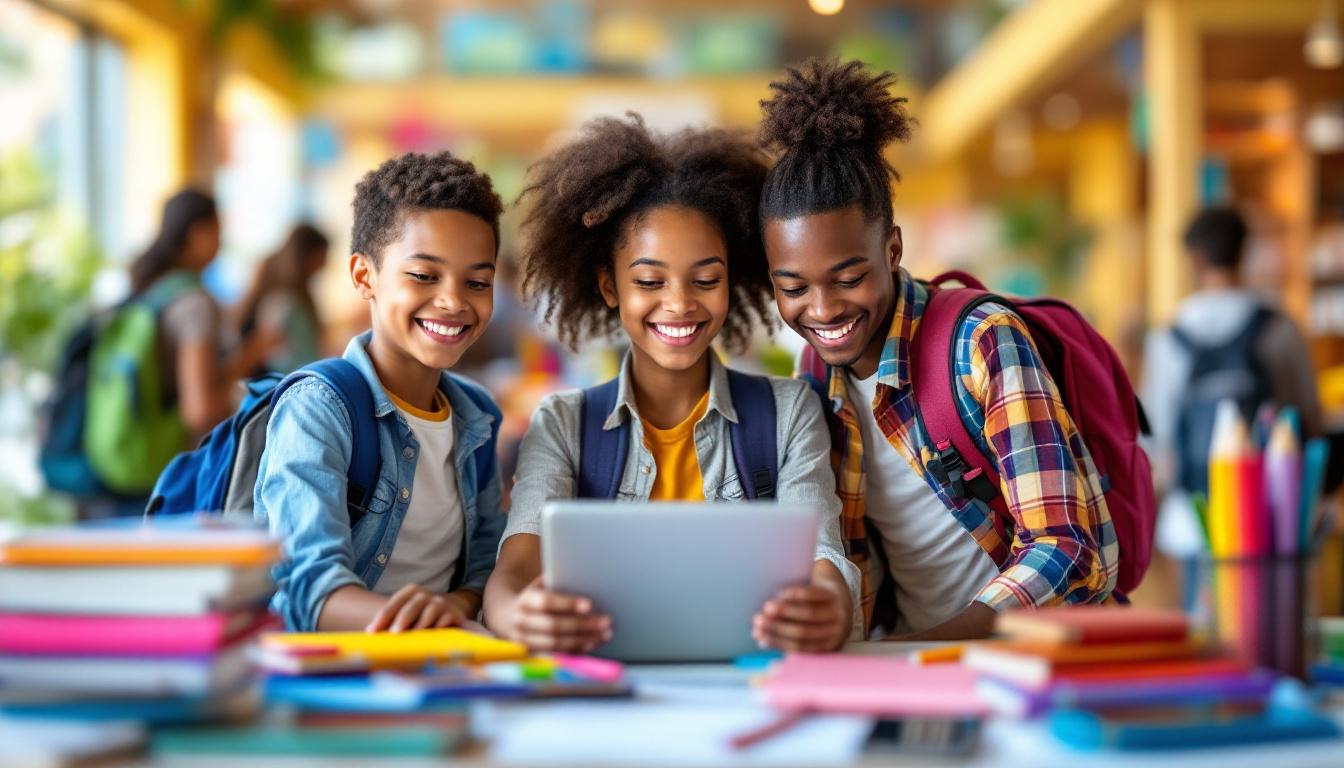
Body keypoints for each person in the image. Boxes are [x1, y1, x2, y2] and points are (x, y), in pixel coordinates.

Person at [757, 58, 1118, 640]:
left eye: (849, 279)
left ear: (893, 251)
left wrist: (929, 644)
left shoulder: (981, 342)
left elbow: (1068, 547)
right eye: (794, 288)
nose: (822, 311)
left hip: (1027, 662)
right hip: (911, 664)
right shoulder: (817, 377)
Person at [482, 114, 861, 653]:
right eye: (649, 281)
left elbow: (825, 556)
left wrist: (829, 608)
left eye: (706, 280)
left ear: (733, 280)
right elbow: (513, 571)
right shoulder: (563, 424)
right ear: (610, 286)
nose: (680, 303)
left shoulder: (789, 412)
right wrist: (519, 617)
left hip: (745, 688)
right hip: (612, 693)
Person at [254, 152, 507, 633]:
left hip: (449, 667)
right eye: (424, 275)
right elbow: (309, 590)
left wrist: (456, 608)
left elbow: (484, 569)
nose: (454, 300)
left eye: (477, 282)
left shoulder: (478, 415)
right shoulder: (318, 408)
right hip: (343, 672)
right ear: (364, 276)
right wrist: (430, 625)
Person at [1142, 207, 1322, 559]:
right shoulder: (1279, 328)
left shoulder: (1169, 338)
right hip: (1270, 516)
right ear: (1244, 252)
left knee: (1198, 613)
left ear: (1194, 259)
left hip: (1191, 518)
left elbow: (1155, 436)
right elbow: (1308, 418)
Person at [130, 189, 275, 440]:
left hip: (140, 449)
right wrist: (250, 354)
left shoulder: (152, 288)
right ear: (198, 233)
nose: (221, 242)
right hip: (176, 463)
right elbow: (201, 411)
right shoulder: (195, 303)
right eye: (217, 231)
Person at [235, 223, 330, 373]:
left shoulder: (286, 296)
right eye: (321, 258)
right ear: (309, 256)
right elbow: (277, 353)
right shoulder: (283, 303)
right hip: (286, 382)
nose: (324, 265)